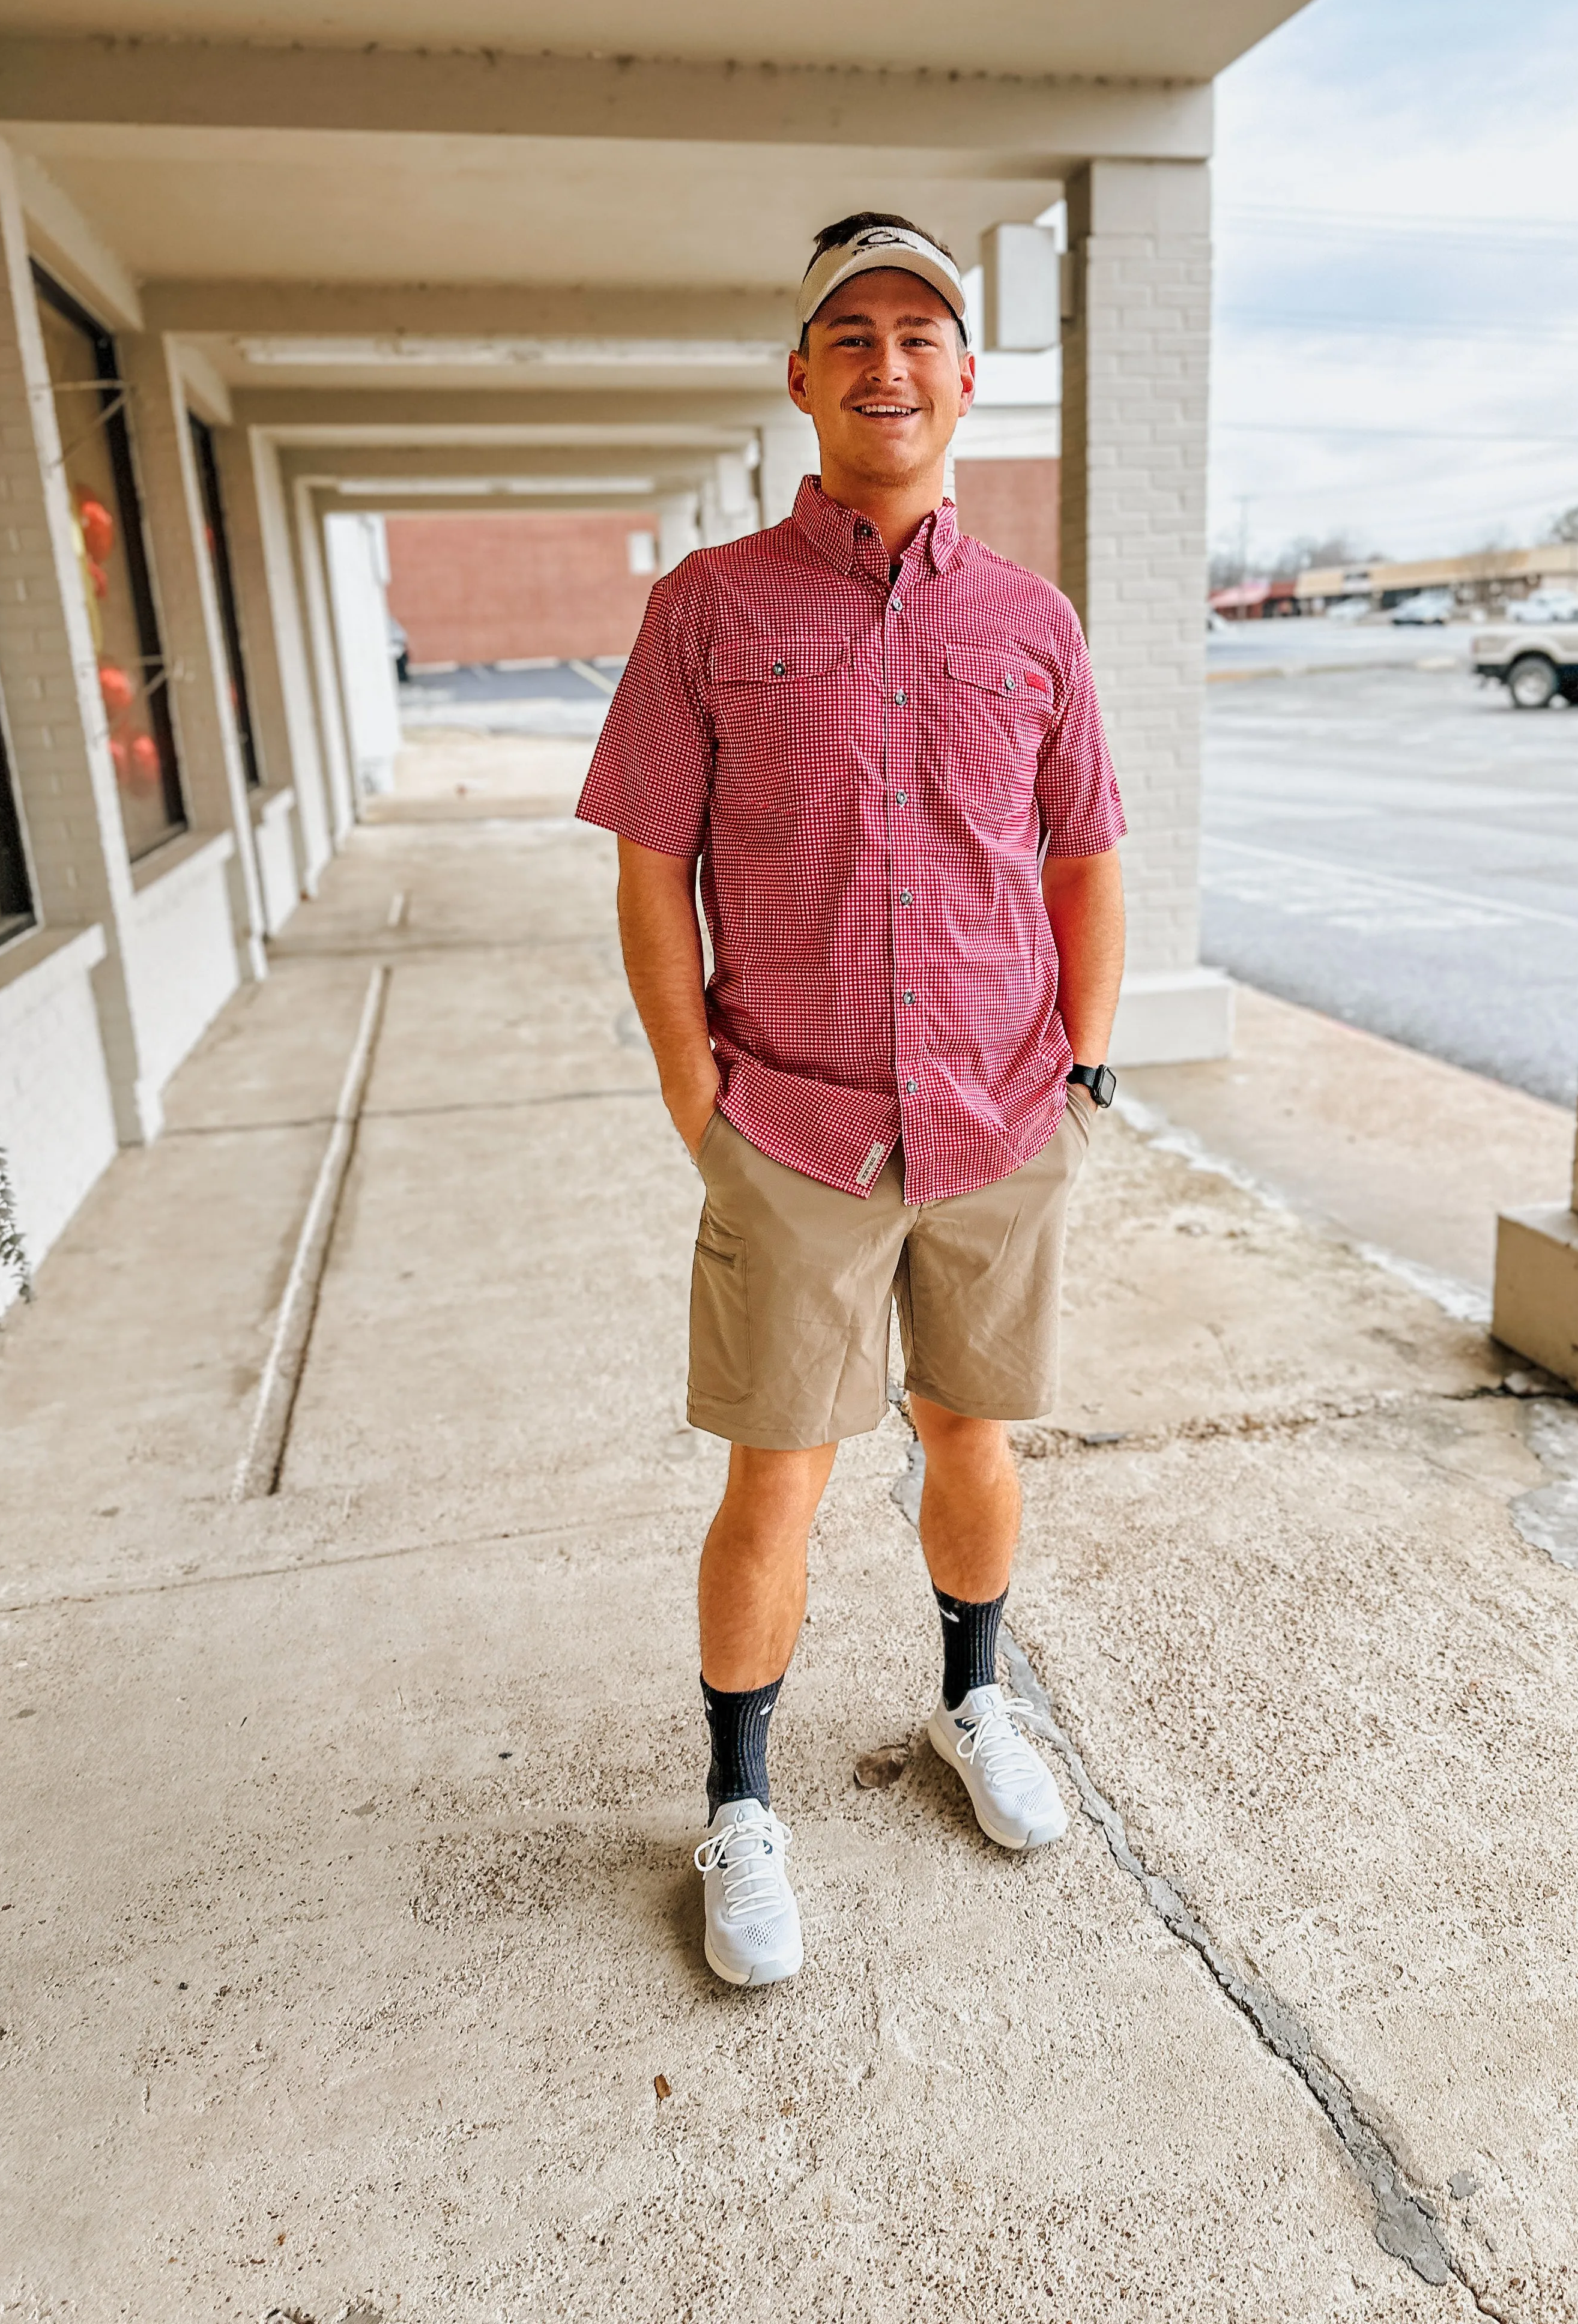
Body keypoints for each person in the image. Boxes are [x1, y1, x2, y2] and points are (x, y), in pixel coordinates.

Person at [576, 211, 1126, 1987]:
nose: (888, 362)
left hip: (995, 1119)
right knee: (782, 1479)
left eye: (922, 332)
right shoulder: (709, 609)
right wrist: (693, 1089)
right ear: (802, 376)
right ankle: (740, 1806)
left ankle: (976, 1702)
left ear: (967, 379)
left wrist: (1084, 1069)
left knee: (972, 1436)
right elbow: (651, 863)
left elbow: (1086, 854)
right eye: (853, 334)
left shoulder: (1033, 624)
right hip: (797, 1125)